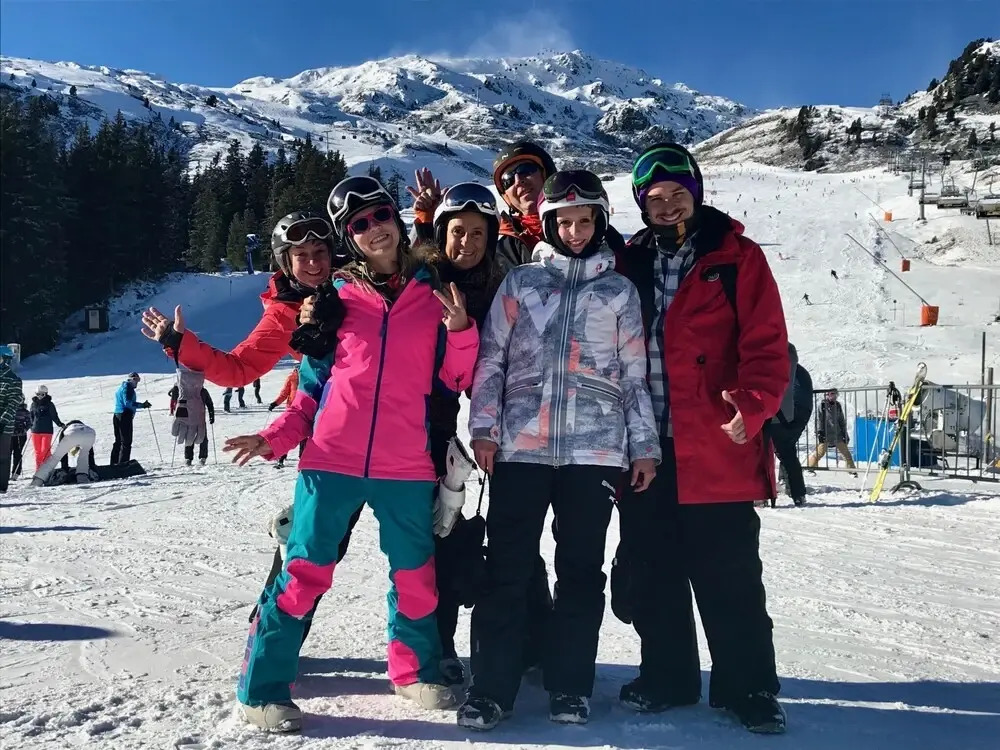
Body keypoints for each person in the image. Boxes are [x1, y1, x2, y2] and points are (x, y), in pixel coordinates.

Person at [224, 175, 479, 731]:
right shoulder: (333, 300)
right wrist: (273, 438)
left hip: (406, 463)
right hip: (330, 462)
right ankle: (261, 689)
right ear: (350, 237)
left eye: (381, 215)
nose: (374, 228)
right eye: (359, 224)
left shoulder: (433, 292)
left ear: (396, 221)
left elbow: (456, 379)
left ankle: (413, 672)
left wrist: (460, 330)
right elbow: (310, 393)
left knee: (415, 577)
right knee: (303, 575)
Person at [459, 171, 659, 730]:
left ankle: (570, 686)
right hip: (521, 447)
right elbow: (491, 359)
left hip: (595, 452)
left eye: (584, 221)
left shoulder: (618, 291)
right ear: (548, 224)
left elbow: (634, 375)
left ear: (599, 222)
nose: (574, 232)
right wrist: (484, 428)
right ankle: (490, 689)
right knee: (507, 568)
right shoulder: (522, 282)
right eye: (564, 222)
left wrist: (643, 446)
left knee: (580, 571)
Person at [612, 143, 790, 734]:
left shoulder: (737, 258)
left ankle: (749, 687)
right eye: (654, 199)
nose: (666, 207)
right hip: (647, 448)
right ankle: (668, 677)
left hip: (716, 442)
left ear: (696, 192)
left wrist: (755, 404)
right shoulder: (631, 260)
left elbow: (767, 345)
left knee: (729, 576)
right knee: (654, 569)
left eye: (677, 195)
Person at [141, 211, 341, 388]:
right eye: (301, 255)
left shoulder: (355, 280)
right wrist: (181, 344)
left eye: (320, 251)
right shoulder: (283, 317)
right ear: (286, 262)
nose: (313, 262)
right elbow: (238, 369)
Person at [767, 345, 813, 506]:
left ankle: (764, 494)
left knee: (765, 453)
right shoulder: (799, 370)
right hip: (797, 415)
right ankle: (797, 493)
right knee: (787, 453)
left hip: (780, 415)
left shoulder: (780, 368)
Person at [31, 420, 98, 486]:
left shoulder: (67, 428)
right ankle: (82, 477)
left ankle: (38, 480)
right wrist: (92, 466)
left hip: (72, 433)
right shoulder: (85, 428)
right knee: (84, 456)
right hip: (90, 434)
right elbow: (90, 453)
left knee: (56, 457)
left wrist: (65, 468)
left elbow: (63, 455)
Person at [807, 388, 856, 472]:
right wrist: (819, 432)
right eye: (831, 394)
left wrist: (845, 434)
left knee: (846, 453)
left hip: (837, 434)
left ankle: (852, 471)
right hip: (825, 434)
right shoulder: (822, 405)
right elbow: (818, 420)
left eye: (835, 394)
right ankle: (809, 468)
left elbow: (841, 420)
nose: (833, 396)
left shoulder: (838, 405)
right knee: (820, 453)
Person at [111, 373, 150, 464]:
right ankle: (123, 464)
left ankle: (114, 463)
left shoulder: (122, 387)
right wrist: (142, 405)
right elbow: (128, 403)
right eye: (135, 379)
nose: (136, 382)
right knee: (126, 442)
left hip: (117, 414)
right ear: (130, 380)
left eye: (138, 380)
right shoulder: (128, 388)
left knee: (118, 441)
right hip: (125, 415)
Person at [0, 345, 23, 493]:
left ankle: (1, 486)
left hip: (3, 425)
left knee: (2, 456)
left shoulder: (13, 379)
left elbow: (13, 403)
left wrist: (2, 421)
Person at [30, 384, 65, 471]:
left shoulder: (50, 404)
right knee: (38, 452)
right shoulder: (33, 404)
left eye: (42, 394)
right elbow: (31, 416)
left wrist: (60, 424)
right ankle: (38, 470)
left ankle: (47, 470)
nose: (39, 396)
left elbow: (54, 416)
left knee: (45, 451)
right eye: (38, 394)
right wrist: (30, 425)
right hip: (35, 431)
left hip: (47, 431)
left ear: (46, 394)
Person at [10, 399, 31, 481]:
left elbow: (30, 422)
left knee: (17, 454)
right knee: (7, 454)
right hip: (9, 435)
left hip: (20, 435)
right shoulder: (9, 409)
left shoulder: (25, 411)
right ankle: (5, 473)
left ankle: (15, 473)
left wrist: (24, 429)